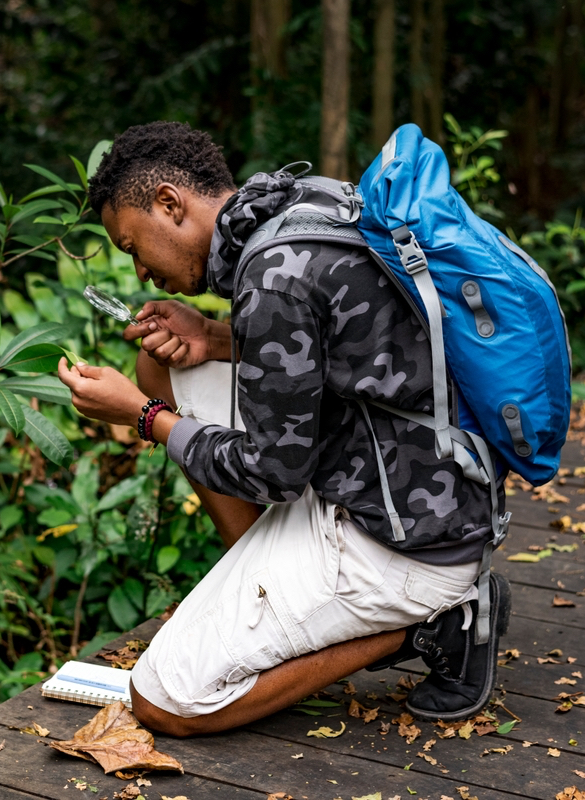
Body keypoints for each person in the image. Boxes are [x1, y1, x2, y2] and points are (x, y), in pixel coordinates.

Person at [55, 121, 510, 737]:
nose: (138, 272)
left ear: (170, 203)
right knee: (156, 365)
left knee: (166, 701)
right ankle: (264, 580)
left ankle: (437, 622)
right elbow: (342, 348)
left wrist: (140, 415)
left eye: (133, 247)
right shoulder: (303, 201)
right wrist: (214, 337)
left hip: (407, 542)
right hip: (434, 479)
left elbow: (272, 474)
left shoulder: (270, 277)